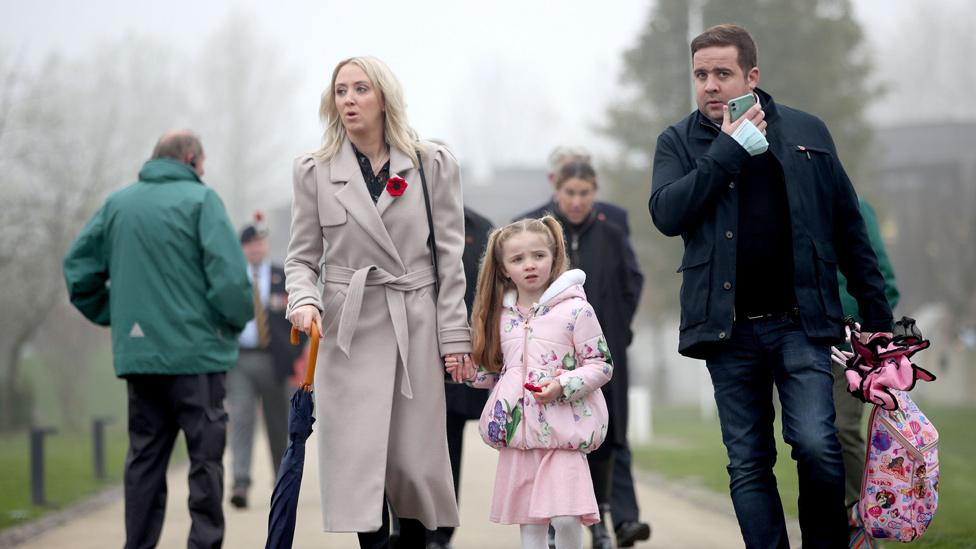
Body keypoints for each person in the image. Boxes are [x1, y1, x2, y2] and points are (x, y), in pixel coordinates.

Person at [649, 23, 894, 548]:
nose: (710, 85)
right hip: (726, 333)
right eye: (700, 75)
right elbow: (667, 214)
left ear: (751, 76)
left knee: (817, 445)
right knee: (748, 463)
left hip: (802, 326)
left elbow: (850, 230)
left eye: (722, 73)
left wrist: (879, 327)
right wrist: (729, 150)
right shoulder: (678, 141)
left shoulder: (808, 131)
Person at [284, 56, 471, 548]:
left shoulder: (432, 164)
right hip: (349, 330)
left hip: (416, 322)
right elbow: (301, 259)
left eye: (360, 89)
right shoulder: (315, 171)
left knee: (412, 466)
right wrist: (304, 301)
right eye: (341, 91)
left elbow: (451, 260)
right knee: (359, 466)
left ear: (384, 97)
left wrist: (455, 338)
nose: (349, 100)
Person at [63, 130, 253, 548]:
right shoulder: (202, 201)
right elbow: (230, 282)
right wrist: (234, 322)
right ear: (189, 158)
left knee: (145, 461)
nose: (204, 172)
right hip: (197, 361)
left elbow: (78, 271)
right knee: (205, 461)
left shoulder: (117, 205)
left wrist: (117, 316)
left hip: (142, 359)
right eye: (202, 164)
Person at [446, 216, 612, 549]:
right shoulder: (499, 317)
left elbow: (601, 365)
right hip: (520, 437)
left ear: (554, 258)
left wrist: (563, 385)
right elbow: (495, 373)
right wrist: (466, 371)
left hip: (564, 432)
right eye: (518, 259)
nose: (530, 265)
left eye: (538, 255)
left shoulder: (577, 311)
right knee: (531, 525)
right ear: (504, 268)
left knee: (566, 516)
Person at [515, 147, 650, 548]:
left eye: (584, 192)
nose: (576, 201)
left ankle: (609, 520)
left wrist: (619, 330)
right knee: (560, 437)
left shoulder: (611, 229)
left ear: (594, 191)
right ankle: (559, 522)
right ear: (556, 186)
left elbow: (631, 282)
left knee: (611, 432)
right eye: (569, 192)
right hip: (553, 358)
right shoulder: (535, 229)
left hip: (604, 351)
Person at [426, 206, 494, 549]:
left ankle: (440, 532)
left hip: (463, 352)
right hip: (416, 347)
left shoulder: (481, 227)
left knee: (449, 445)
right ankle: (402, 525)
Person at [227, 212, 302, 509]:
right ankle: (241, 483)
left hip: (275, 361)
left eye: (260, 242)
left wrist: (295, 356)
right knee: (242, 417)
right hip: (239, 361)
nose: (256, 248)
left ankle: (280, 483)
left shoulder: (282, 277)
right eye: (250, 244)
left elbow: (299, 319)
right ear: (242, 248)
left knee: (277, 422)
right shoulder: (232, 278)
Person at [832, 198, 900, 515]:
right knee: (809, 441)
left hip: (848, 346)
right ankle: (827, 528)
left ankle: (862, 524)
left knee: (842, 430)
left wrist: (869, 335)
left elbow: (882, 279)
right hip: (797, 339)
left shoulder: (855, 205)